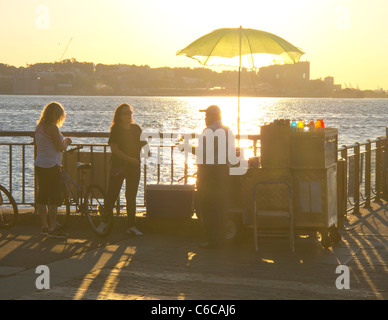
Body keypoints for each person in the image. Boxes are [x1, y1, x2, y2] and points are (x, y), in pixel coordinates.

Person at [98, 103, 148, 236]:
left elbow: (144, 144)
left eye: (130, 112)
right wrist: (129, 159)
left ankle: (131, 225)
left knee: (131, 196)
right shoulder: (116, 130)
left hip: (134, 167)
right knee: (112, 195)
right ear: (119, 116)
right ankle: (104, 222)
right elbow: (114, 150)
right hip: (118, 167)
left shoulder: (136, 128)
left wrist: (147, 152)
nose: (129, 115)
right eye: (126, 113)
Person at [195, 105, 236, 248]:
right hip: (223, 172)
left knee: (207, 207)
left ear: (212, 116)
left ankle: (212, 240)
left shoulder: (208, 131)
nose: (205, 119)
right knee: (220, 207)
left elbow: (203, 153)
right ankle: (221, 238)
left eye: (206, 116)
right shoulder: (228, 130)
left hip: (208, 173)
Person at [34, 101, 72, 238]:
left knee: (42, 196)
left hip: (40, 164)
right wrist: (67, 142)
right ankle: (53, 228)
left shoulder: (39, 127)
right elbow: (59, 148)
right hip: (52, 166)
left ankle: (44, 226)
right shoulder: (53, 128)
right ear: (57, 115)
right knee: (54, 198)